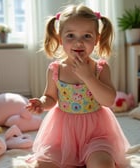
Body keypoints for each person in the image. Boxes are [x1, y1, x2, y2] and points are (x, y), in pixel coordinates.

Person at [26, 4, 130, 168]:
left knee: (102, 165)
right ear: (61, 39)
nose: (79, 42)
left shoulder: (100, 68)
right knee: (43, 165)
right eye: (71, 36)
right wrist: (41, 103)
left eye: (87, 36)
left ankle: (95, 157)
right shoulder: (56, 69)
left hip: (96, 134)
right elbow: (51, 97)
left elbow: (108, 101)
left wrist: (88, 76)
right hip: (63, 135)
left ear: (96, 39)